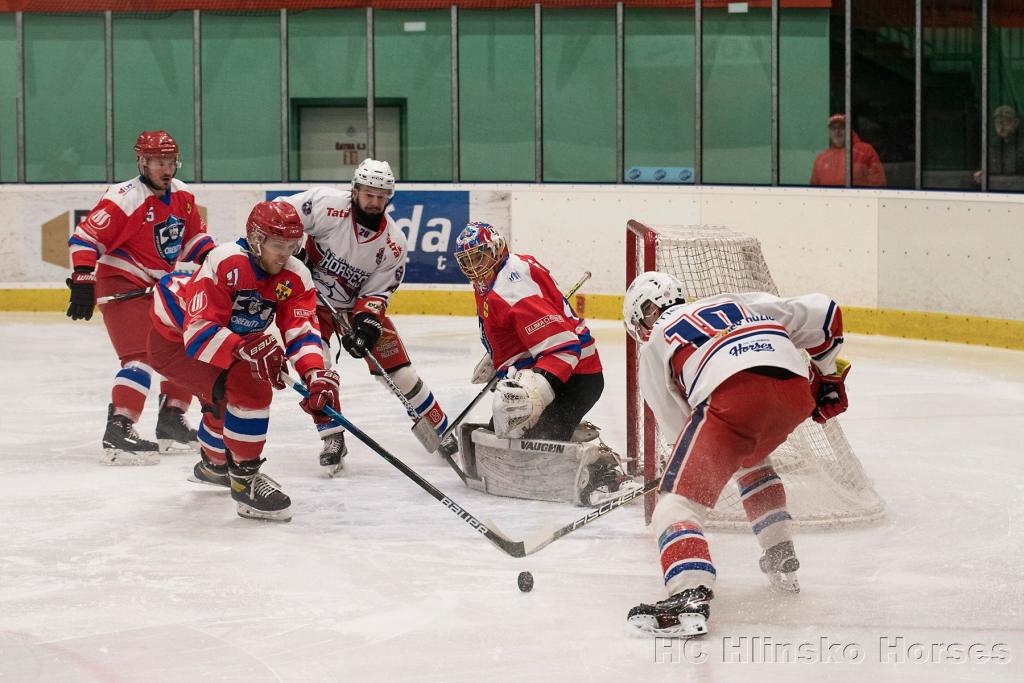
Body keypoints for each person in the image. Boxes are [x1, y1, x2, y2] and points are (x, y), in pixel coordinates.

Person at [621, 272, 851, 638]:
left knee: (674, 507)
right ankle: (779, 553)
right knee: (751, 459)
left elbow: (678, 425)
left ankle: (689, 596)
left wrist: (684, 467)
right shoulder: (737, 300)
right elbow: (827, 314)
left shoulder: (653, 345)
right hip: (795, 395)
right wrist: (826, 378)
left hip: (734, 400)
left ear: (639, 321)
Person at [147, 201, 340, 522]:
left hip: (227, 340)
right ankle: (245, 480)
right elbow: (196, 333)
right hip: (174, 342)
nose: (286, 253)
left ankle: (213, 465)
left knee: (226, 405)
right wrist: (245, 349)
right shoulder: (226, 261)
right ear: (256, 239)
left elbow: (301, 329)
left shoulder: (295, 275)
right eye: (279, 245)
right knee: (251, 386)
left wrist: (315, 373)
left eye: (293, 246)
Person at [274, 158, 457, 465]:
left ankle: (441, 426)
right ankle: (333, 438)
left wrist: (367, 325)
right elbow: (279, 213)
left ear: (389, 198)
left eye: (381, 197)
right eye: (369, 194)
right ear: (355, 190)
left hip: (353, 306)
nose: (374, 202)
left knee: (401, 374)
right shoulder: (325, 204)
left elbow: (376, 293)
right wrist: (294, 249)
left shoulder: (393, 244)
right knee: (317, 370)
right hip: (310, 301)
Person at [66, 130, 215, 465]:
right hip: (121, 285)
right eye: (157, 162)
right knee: (140, 358)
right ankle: (119, 427)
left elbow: (195, 240)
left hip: (159, 289)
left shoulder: (183, 195)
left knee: (186, 348)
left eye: (169, 161)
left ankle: (172, 420)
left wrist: (215, 263)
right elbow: (84, 239)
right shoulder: (125, 197)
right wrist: (83, 279)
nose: (165, 168)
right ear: (142, 162)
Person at [453, 222, 604, 442]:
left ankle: (602, 469)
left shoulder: (513, 291)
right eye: (467, 261)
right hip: (546, 366)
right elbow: (514, 325)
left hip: (575, 377)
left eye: (478, 257)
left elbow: (566, 347)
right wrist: (500, 356)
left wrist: (532, 393)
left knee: (536, 446)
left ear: (496, 249)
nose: (473, 267)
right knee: (505, 432)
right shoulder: (495, 275)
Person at [810, 113, 887, 188]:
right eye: (833, 128)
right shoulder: (821, 159)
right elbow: (813, 190)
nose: (837, 131)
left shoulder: (865, 151)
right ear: (829, 132)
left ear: (850, 130)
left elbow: (878, 186)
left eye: (842, 127)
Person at [975, 105, 1024, 189]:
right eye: (998, 122)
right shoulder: (992, 146)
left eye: (1006, 122)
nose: (1001, 127)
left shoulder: (1022, 145)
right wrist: (980, 176)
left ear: (1016, 123)